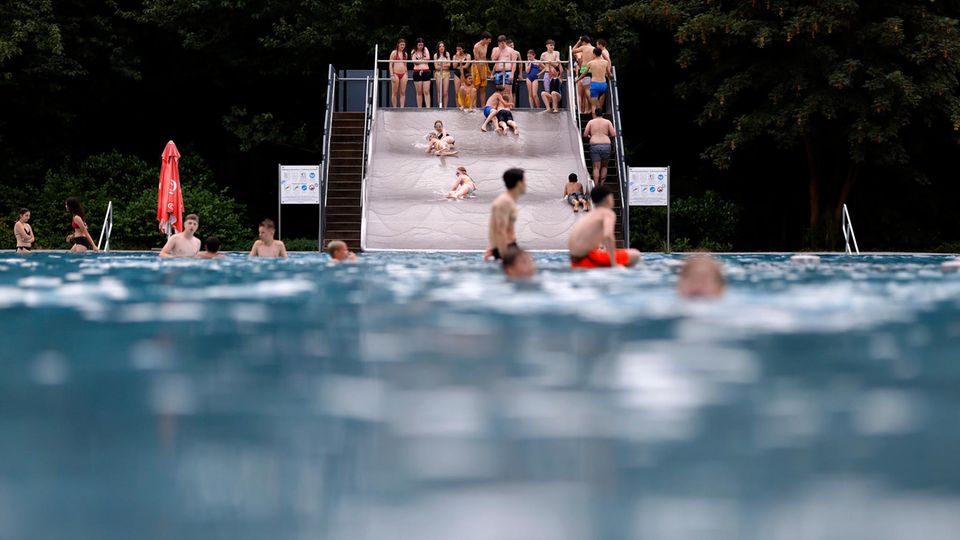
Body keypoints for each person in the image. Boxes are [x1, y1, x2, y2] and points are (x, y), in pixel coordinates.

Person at [568, 186, 641, 269]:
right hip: (588, 260)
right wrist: (614, 263)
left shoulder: (590, 215)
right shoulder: (607, 213)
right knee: (635, 255)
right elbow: (608, 236)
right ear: (608, 199)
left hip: (574, 263)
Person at [484, 168, 526, 261]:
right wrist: (505, 258)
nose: (525, 185)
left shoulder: (509, 201)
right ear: (519, 183)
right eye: (524, 182)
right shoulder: (504, 201)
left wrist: (493, 246)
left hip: (507, 246)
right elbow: (500, 230)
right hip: (507, 248)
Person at [583, 113, 616, 186]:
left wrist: (590, 136)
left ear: (595, 114)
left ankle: (596, 185)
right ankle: (602, 184)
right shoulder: (607, 122)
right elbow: (613, 134)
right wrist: (605, 134)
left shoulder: (591, 122)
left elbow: (585, 134)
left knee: (596, 168)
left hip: (595, 145)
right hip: (606, 145)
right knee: (604, 166)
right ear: (602, 114)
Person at [576, 48, 610, 114]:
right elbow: (609, 73)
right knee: (600, 98)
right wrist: (611, 77)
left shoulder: (590, 63)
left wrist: (578, 79)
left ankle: (595, 118)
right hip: (603, 84)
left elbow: (583, 74)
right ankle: (600, 112)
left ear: (594, 54)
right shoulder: (605, 62)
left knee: (593, 104)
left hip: (595, 84)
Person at [572, 36, 597, 112]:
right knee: (587, 90)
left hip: (584, 70)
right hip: (592, 70)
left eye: (581, 42)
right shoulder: (594, 49)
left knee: (585, 91)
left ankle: (593, 106)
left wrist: (578, 42)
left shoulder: (584, 47)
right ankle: (588, 109)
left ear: (583, 42)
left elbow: (573, 50)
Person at [490, 35, 516, 101]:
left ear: (505, 42)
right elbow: (493, 59)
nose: (502, 44)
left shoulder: (511, 50)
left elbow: (514, 63)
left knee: (508, 90)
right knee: (499, 91)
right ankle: (500, 105)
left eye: (503, 42)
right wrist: (500, 49)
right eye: (500, 42)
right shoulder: (495, 49)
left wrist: (512, 74)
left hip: (508, 71)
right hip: (498, 72)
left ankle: (509, 106)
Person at [411, 38, 431, 108]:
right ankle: (419, 108)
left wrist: (419, 60)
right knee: (419, 92)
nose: (421, 46)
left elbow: (428, 59)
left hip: (426, 71)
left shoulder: (425, 49)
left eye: (422, 45)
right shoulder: (413, 51)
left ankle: (428, 107)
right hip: (417, 72)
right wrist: (423, 60)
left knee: (426, 91)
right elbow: (414, 62)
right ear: (416, 45)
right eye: (419, 45)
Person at [389, 38, 408, 108]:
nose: (402, 46)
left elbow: (405, 65)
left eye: (403, 45)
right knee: (394, 92)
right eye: (401, 45)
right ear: (398, 45)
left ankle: (402, 108)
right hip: (395, 73)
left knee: (403, 92)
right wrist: (391, 75)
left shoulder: (405, 54)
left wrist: (406, 74)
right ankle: (395, 108)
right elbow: (390, 64)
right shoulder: (394, 52)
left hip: (403, 74)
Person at [434, 41, 452, 108]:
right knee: (439, 91)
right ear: (438, 48)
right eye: (440, 46)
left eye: (443, 46)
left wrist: (441, 66)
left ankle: (445, 107)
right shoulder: (436, 55)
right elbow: (436, 67)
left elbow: (449, 65)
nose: (441, 47)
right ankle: (440, 107)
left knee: (445, 92)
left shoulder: (447, 54)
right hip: (438, 74)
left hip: (446, 74)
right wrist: (444, 65)